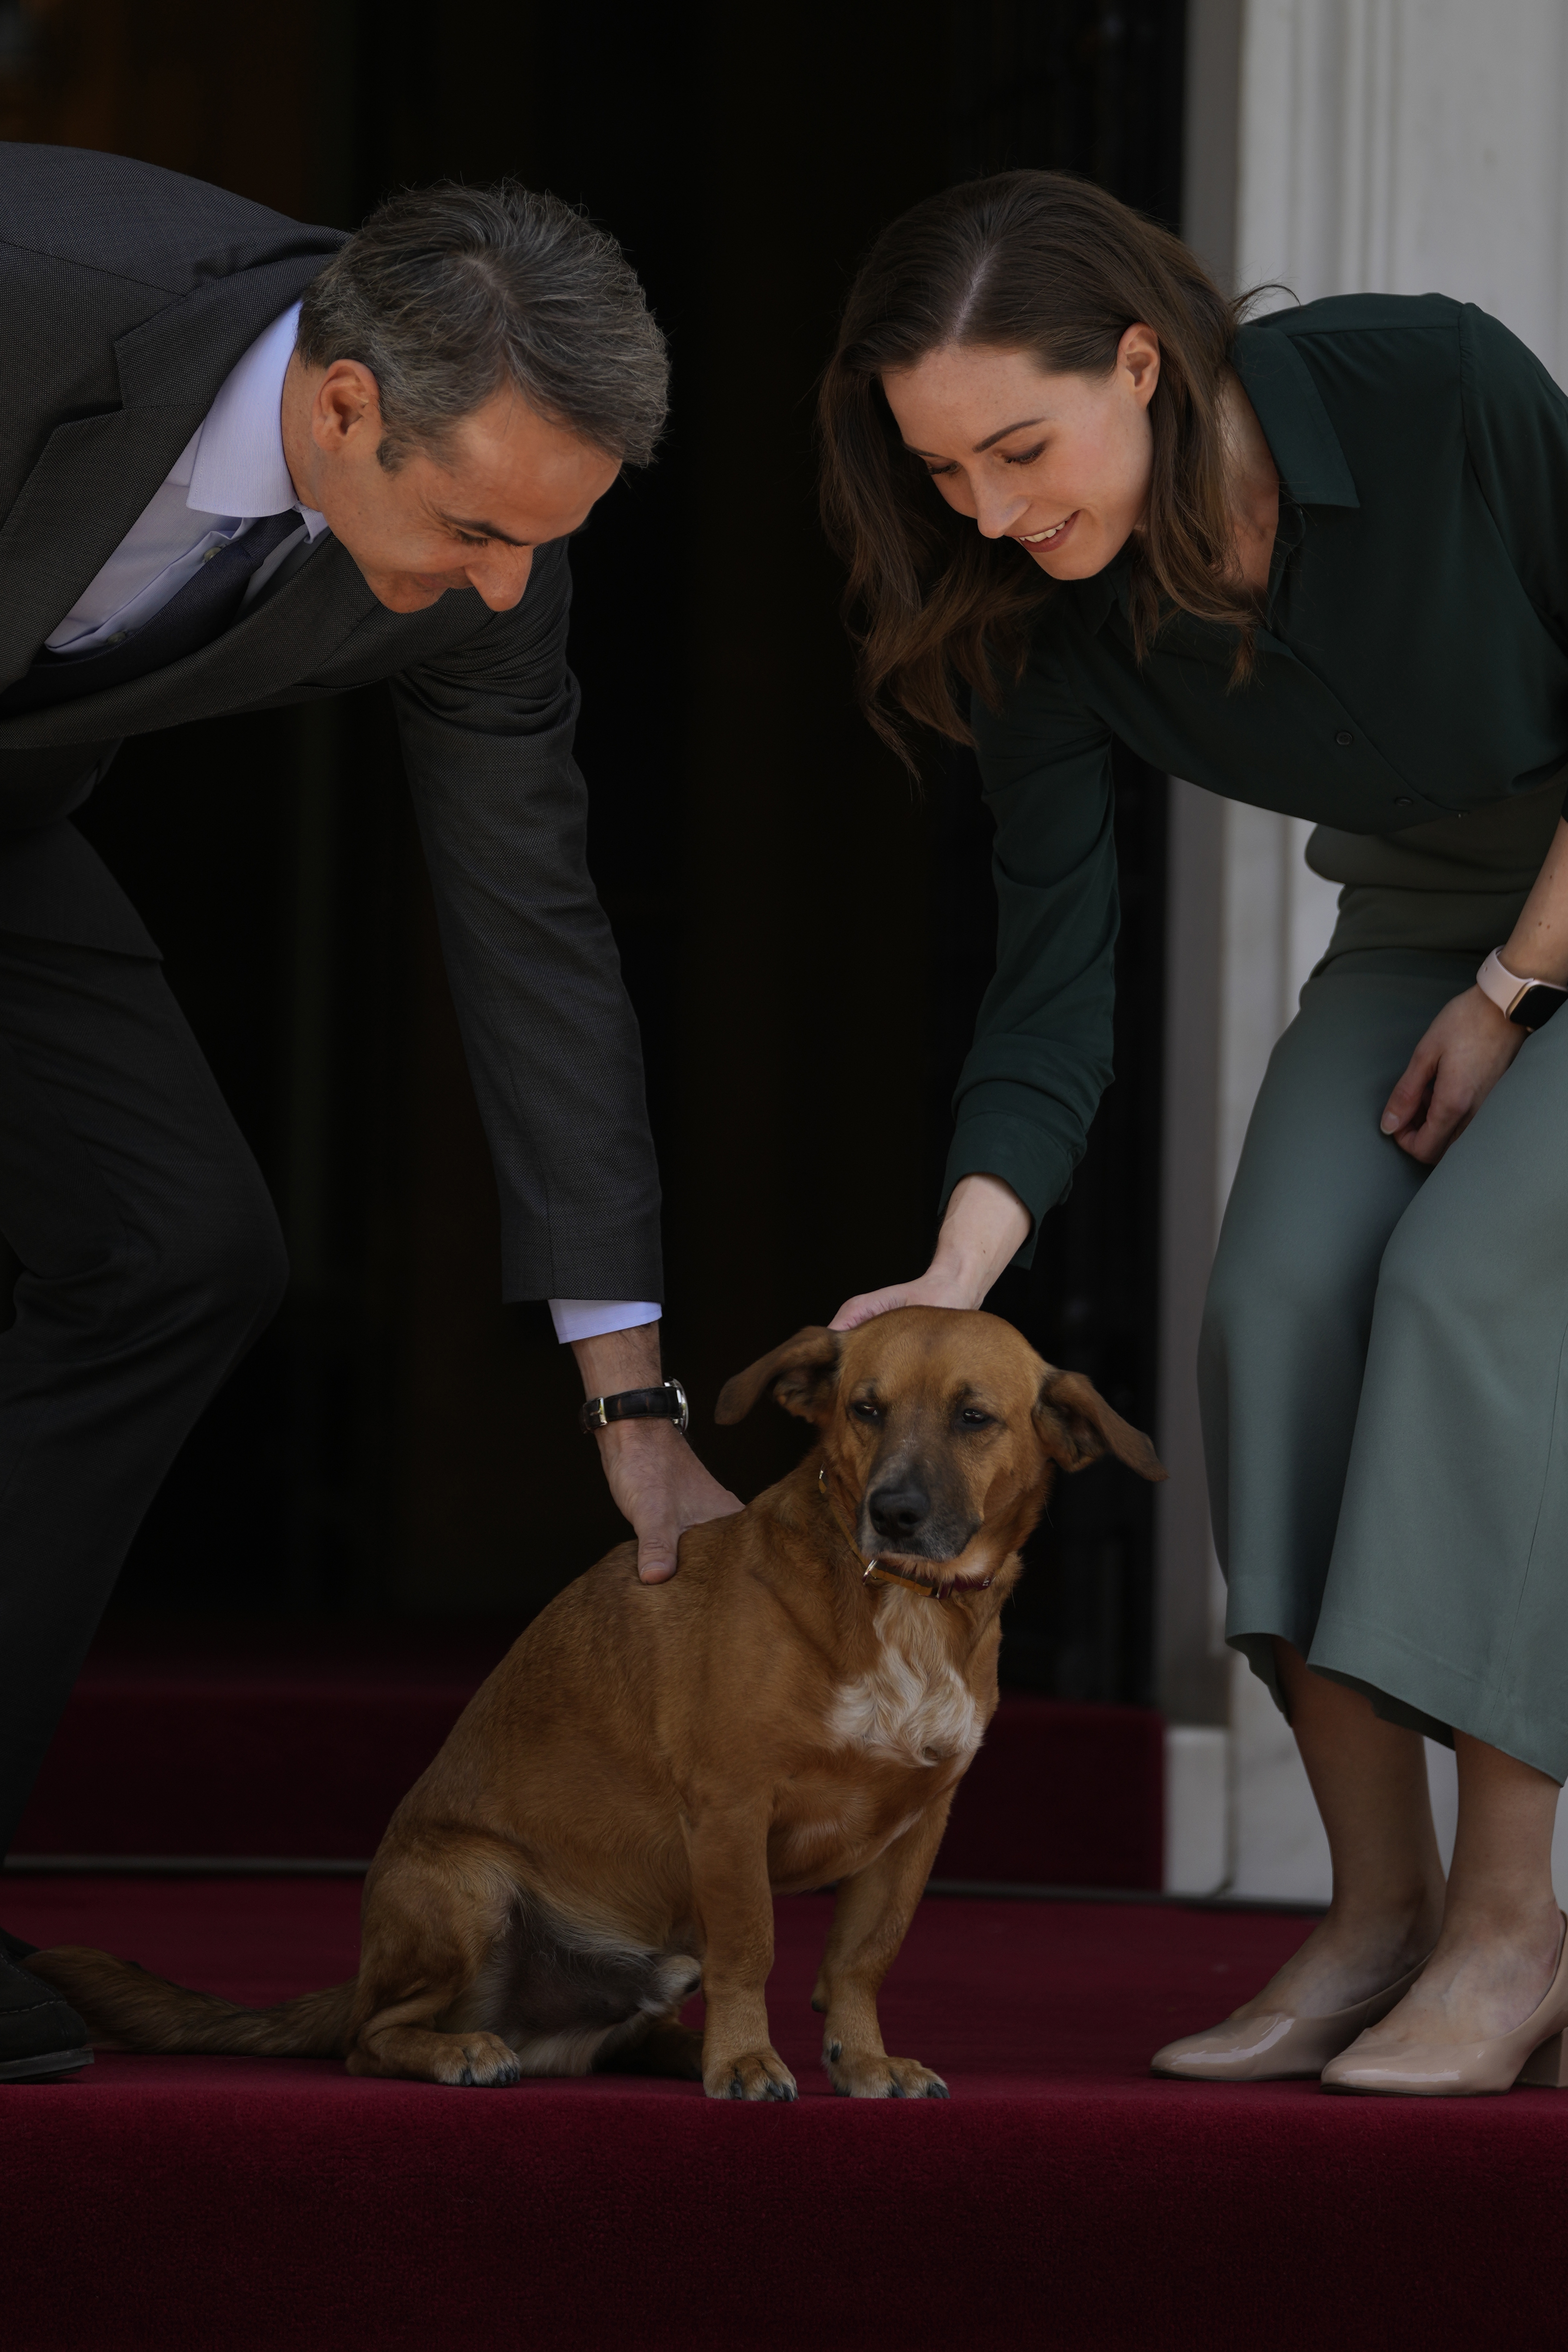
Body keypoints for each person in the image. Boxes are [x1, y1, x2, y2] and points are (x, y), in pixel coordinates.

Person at [817, 167, 1568, 2096]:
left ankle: (1511, 1928)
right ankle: (1378, 1909)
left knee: (1477, 1284)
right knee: (1273, 1307)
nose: (987, 511)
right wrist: (956, 1273)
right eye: (942, 474)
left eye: (1018, 448)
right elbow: (1054, 981)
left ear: (1141, 362)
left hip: (1549, 909)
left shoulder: (1430, 389)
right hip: (1425, 916)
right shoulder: (1041, 621)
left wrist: (1511, 999)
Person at [0, 146, 737, 2082]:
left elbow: (537, 938)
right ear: (342, 405)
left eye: (546, 547)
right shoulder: (41, 293)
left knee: (175, 1250)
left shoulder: (494, 552)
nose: (508, 591)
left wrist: (633, 1396)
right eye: (483, 529)